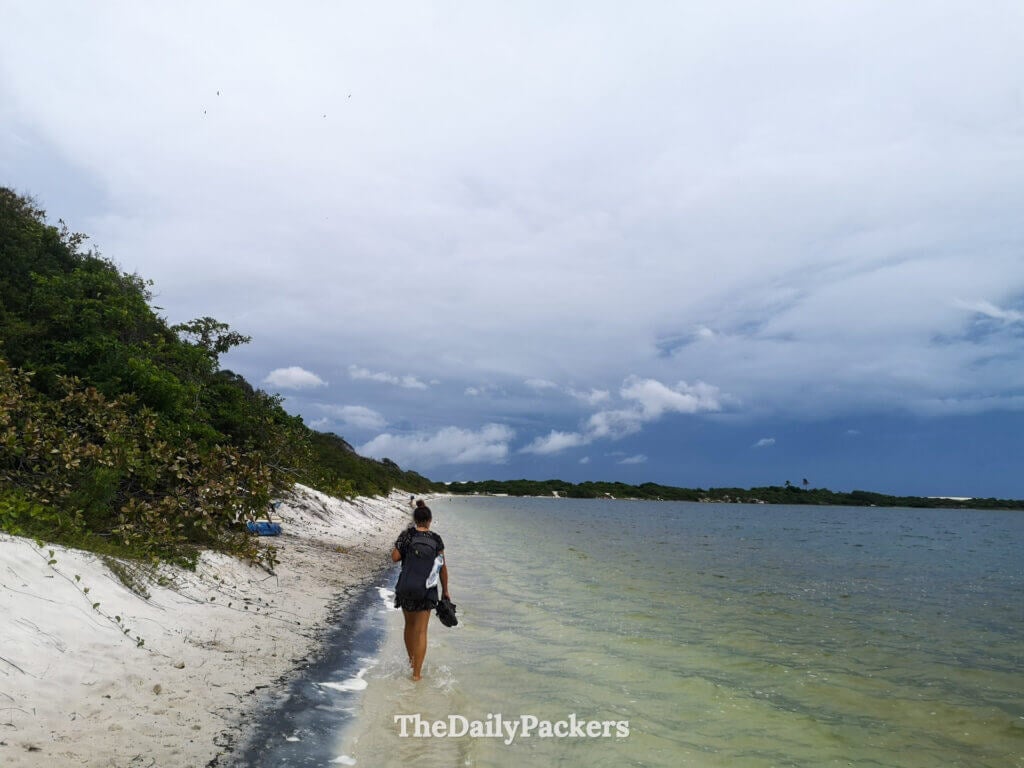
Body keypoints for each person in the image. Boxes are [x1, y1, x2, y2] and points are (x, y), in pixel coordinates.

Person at [391, 503, 449, 681]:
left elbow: (395, 558)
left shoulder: (407, 535)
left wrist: (402, 545)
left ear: (415, 519)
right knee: (421, 631)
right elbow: (441, 566)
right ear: (430, 520)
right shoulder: (436, 539)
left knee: (409, 626)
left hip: (406, 587)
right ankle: (417, 674)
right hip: (426, 589)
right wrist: (445, 591)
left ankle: (411, 662)